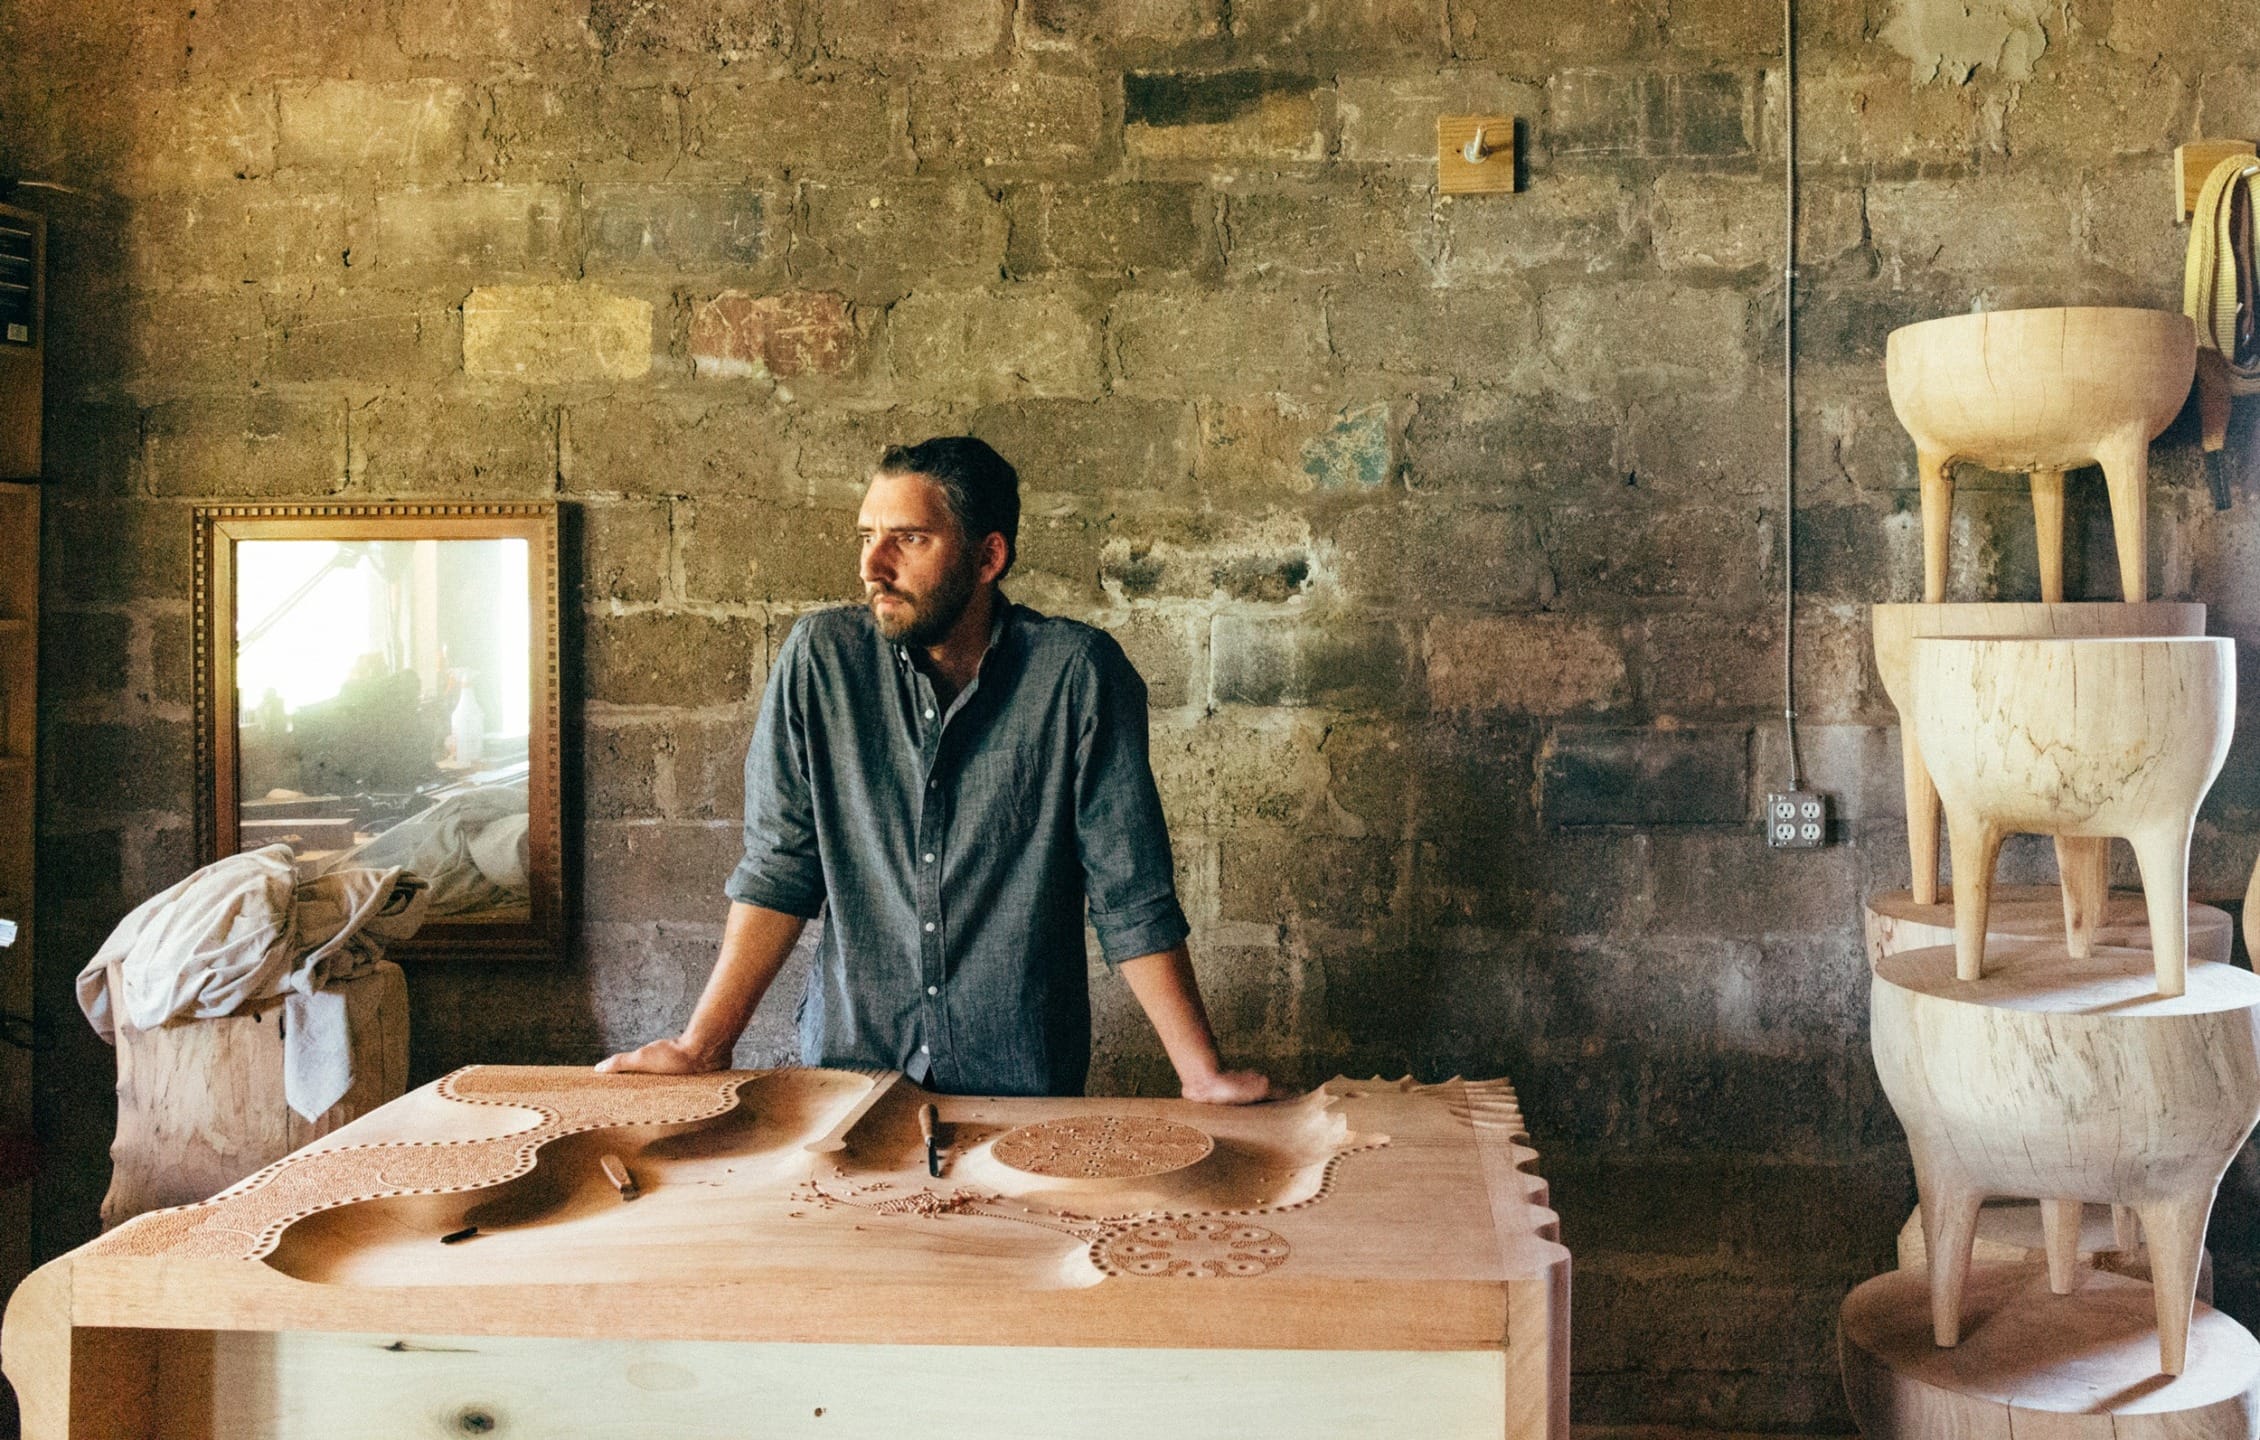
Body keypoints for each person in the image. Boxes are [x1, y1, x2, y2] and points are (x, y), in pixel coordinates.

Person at [599, 437, 1271, 1104]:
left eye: (909, 539)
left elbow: (1129, 893)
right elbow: (781, 868)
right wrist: (701, 1048)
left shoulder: (1075, 677)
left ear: (988, 557)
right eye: (867, 536)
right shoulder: (820, 663)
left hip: (1018, 1086)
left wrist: (1200, 1074)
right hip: (849, 1078)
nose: (872, 565)